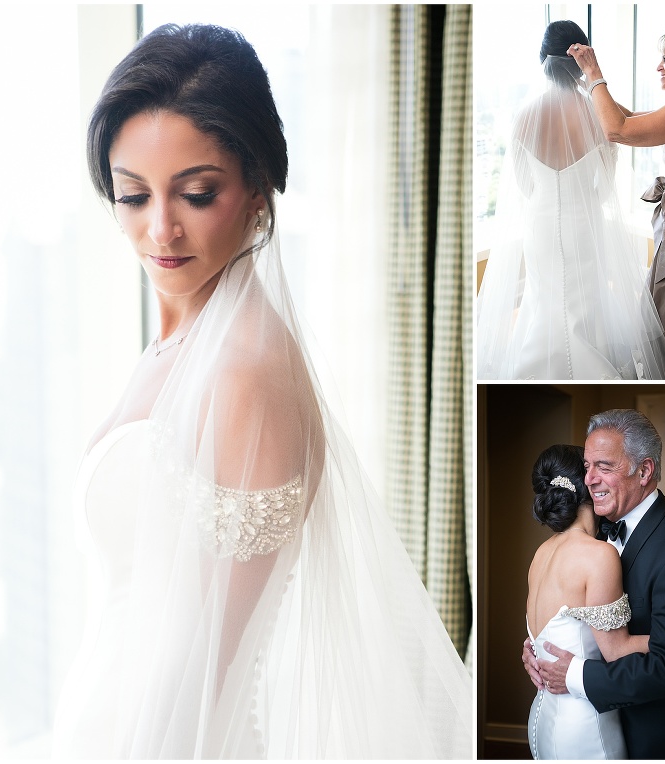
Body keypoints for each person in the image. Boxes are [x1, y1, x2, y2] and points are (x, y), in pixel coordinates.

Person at [51, 23, 472, 759]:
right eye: (132, 195)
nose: (160, 229)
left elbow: (204, 667)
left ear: (257, 187)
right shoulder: (181, 335)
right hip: (105, 720)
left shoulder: (246, 369)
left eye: (197, 193)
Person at [476, 20, 665, 380]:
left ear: (544, 61)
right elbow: (603, 189)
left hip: (540, 225)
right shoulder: (597, 113)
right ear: (580, 62)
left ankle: (537, 364)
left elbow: (524, 186)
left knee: (543, 298)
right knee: (587, 299)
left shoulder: (523, 116)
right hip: (584, 223)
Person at [523, 409, 665, 759]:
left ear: (644, 471)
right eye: (586, 467)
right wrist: (537, 650)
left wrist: (574, 675)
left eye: (604, 466)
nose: (589, 479)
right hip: (603, 723)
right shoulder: (592, 539)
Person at [567, 21, 665, 379]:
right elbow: (626, 117)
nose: (659, 66)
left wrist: (595, 73)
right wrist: (586, 87)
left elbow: (617, 130)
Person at [526, 444, 650, 758]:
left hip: (541, 715)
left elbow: (543, 637)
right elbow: (616, 649)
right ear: (587, 485)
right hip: (584, 722)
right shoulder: (598, 555)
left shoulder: (542, 553)